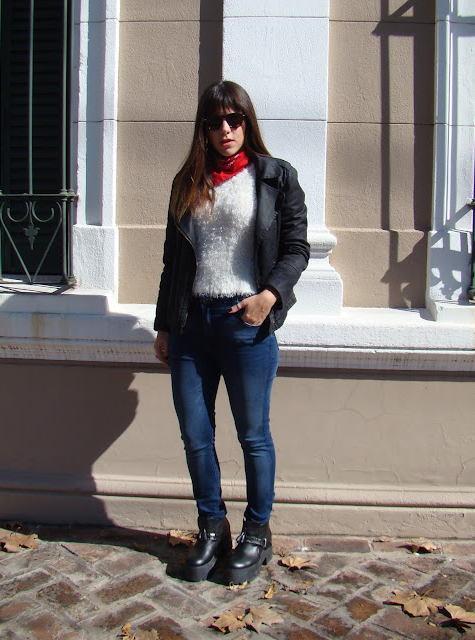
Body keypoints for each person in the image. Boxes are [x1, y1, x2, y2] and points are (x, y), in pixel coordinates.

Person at [154, 80, 310, 584]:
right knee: (196, 435)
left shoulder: (276, 177)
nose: (226, 129)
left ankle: (257, 533)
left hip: (245, 323)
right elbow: (172, 261)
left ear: (247, 122)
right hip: (190, 325)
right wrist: (164, 325)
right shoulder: (187, 181)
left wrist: (269, 296)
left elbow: (297, 248)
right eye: (215, 121)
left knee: (253, 436)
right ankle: (212, 526)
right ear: (203, 129)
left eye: (234, 119)